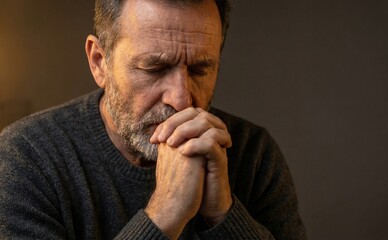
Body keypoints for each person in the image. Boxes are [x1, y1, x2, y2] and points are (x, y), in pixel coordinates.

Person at [0, 0, 306, 239]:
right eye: (154, 69)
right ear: (100, 63)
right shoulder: (25, 157)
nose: (181, 99)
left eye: (200, 70)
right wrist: (164, 215)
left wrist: (225, 215)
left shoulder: (255, 154)